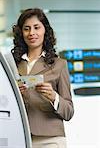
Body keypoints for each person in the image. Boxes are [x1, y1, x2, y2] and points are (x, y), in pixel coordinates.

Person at [11, 8, 74, 148]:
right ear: (21, 33)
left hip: (50, 139)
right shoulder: (12, 65)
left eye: (36, 27)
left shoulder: (59, 65)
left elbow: (69, 111)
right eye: (26, 29)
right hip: (18, 136)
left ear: (45, 30)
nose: (31, 33)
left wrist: (53, 96)